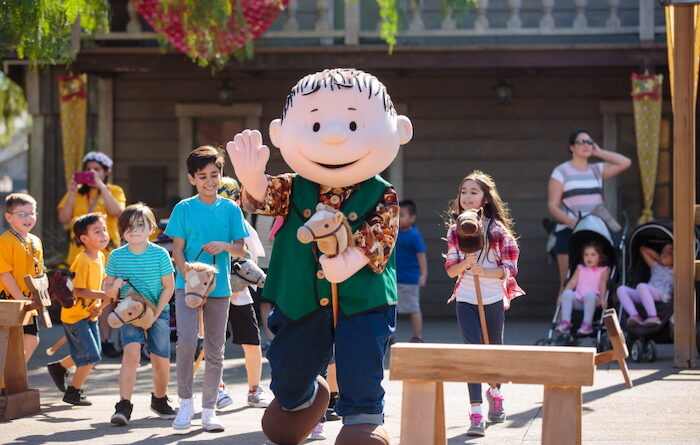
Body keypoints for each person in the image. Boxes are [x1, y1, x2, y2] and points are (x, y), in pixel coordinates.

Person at [227, 68, 413, 444]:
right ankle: (301, 399)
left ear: (400, 130)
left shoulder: (383, 193)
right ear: (280, 134)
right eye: (315, 126)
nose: (332, 136)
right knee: (290, 359)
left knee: (360, 358)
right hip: (301, 294)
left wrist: (347, 262)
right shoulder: (295, 187)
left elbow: (379, 236)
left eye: (354, 123)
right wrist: (252, 179)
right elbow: (262, 199)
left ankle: (363, 418)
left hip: (364, 298)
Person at [165, 147, 248, 433]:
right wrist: (187, 271)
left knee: (216, 348)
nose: (210, 181)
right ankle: (185, 403)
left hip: (220, 286)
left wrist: (223, 246)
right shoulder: (183, 209)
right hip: (187, 286)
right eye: (203, 176)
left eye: (215, 175)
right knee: (186, 341)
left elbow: (241, 248)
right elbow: (175, 250)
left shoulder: (231, 208)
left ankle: (209, 410)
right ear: (192, 178)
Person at [444, 171, 524, 437]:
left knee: (493, 350)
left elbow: (509, 269)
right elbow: (450, 270)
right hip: (466, 298)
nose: (467, 196)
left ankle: (496, 393)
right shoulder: (456, 229)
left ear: (486, 199)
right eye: (463, 191)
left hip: (491, 298)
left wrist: (485, 271)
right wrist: (465, 264)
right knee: (473, 353)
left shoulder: (498, 231)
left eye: (473, 192)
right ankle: (476, 413)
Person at [104, 203, 176, 426]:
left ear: (151, 228)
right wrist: (114, 285)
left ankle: (160, 399)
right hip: (129, 314)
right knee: (131, 354)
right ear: (121, 231)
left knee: (160, 360)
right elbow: (108, 290)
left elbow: (169, 287)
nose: (133, 230)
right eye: (127, 227)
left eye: (139, 225)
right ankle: (124, 404)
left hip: (159, 313)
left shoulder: (160, 254)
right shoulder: (116, 256)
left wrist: (154, 316)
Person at [57, 151, 126, 358]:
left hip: (106, 255)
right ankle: (83, 338)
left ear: (106, 172)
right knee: (80, 294)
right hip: (78, 255)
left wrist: (101, 187)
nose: (91, 173)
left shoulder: (114, 190)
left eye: (96, 169)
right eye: (87, 170)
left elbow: (117, 212)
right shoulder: (77, 192)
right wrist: (71, 192)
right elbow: (63, 217)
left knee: (105, 297)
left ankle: (106, 339)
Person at [548, 130, 631, 297]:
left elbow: (625, 162)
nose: (586, 145)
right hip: (570, 229)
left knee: (603, 276)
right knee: (566, 281)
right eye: (581, 142)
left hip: (594, 229)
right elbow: (553, 206)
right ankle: (561, 321)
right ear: (572, 147)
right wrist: (570, 221)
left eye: (589, 141)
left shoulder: (596, 170)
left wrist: (599, 152)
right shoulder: (561, 171)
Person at [215, 176, 270, 411]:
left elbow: (253, 258)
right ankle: (216, 388)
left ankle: (255, 388)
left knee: (252, 341)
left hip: (239, 293)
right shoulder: (205, 222)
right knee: (212, 343)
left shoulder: (242, 224)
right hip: (213, 293)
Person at [47, 213, 111, 406]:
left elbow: (97, 284)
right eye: (97, 231)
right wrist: (102, 296)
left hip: (89, 315)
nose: (103, 234)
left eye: (105, 230)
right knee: (90, 356)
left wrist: (99, 305)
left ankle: (59, 368)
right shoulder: (82, 260)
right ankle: (73, 391)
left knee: (90, 352)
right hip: (75, 316)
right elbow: (77, 290)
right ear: (84, 239)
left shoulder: (99, 256)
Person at [0, 193, 44, 361]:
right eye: (22, 214)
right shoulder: (5, 240)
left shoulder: (36, 241)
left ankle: (12, 378)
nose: (28, 218)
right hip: (8, 299)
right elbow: (4, 273)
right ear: (8, 217)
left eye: (32, 213)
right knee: (6, 341)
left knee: (32, 339)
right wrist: (20, 298)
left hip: (28, 299)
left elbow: (38, 271)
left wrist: (37, 294)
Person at [555, 241, 610, 335]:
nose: (589, 257)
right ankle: (565, 323)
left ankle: (587, 324)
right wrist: (562, 296)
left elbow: (602, 284)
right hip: (579, 299)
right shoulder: (580, 268)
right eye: (586, 255)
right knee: (567, 293)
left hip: (593, 299)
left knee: (589, 294)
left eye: (593, 255)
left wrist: (602, 299)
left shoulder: (603, 270)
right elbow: (572, 283)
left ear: (599, 257)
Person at [617, 244, 673, 327]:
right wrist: (660, 259)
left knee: (641, 286)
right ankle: (635, 315)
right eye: (663, 252)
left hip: (661, 293)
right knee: (621, 289)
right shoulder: (656, 266)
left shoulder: (676, 269)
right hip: (646, 293)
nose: (665, 254)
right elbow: (643, 249)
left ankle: (653, 316)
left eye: (669, 253)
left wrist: (667, 259)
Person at [396, 199, 427, 342]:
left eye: (401, 215)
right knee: (390, 310)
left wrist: (423, 275)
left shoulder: (414, 235)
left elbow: (421, 256)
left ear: (412, 218)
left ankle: (417, 336)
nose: (398, 218)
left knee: (413, 309)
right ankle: (389, 336)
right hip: (394, 278)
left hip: (410, 279)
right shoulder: (393, 232)